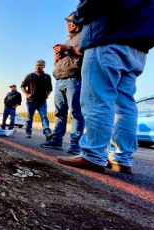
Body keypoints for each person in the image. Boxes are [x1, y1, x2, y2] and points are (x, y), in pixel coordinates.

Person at [57, 0, 154, 174]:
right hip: (140, 43)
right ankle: (122, 159)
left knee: (97, 98)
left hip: (107, 35)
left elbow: (88, 4)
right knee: (125, 103)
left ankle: (93, 155)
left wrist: (79, 16)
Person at [41, 12, 85, 154]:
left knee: (76, 113)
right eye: (67, 22)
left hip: (74, 79)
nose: (69, 24)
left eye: (72, 21)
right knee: (59, 113)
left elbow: (86, 53)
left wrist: (69, 49)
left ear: (79, 22)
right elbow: (57, 62)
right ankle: (56, 141)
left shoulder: (84, 36)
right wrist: (57, 55)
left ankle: (75, 145)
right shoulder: (66, 41)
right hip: (60, 80)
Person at [21, 60, 53, 139]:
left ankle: (47, 132)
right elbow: (22, 86)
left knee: (44, 116)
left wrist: (47, 96)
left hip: (42, 101)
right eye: (37, 65)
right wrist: (27, 94)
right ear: (35, 66)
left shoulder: (47, 76)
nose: (38, 66)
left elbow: (50, 88)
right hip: (31, 101)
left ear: (43, 66)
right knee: (29, 117)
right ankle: (28, 131)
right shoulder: (30, 75)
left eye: (40, 65)